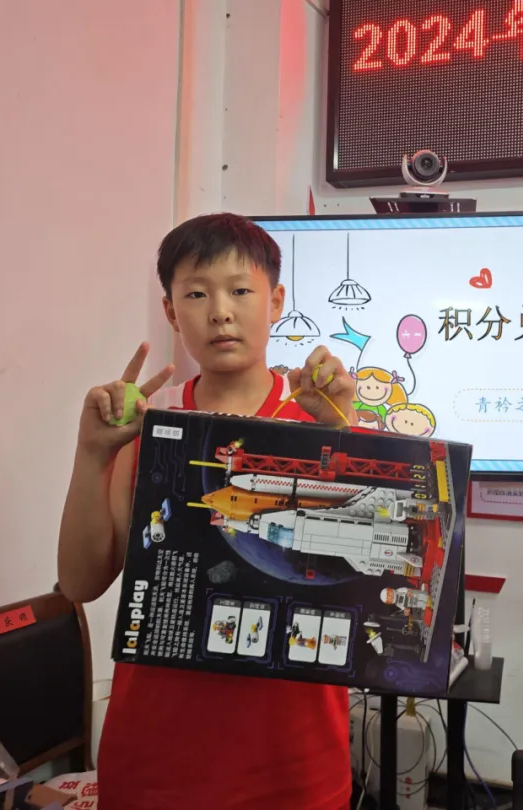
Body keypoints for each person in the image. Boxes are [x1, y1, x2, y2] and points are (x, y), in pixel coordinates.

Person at [57, 213, 357, 810]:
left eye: (240, 290)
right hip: (157, 757)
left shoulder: (325, 420)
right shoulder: (150, 424)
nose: (220, 312)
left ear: (275, 302)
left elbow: (365, 580)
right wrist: (92, 456)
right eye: (196, 294)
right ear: (171, 312)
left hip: (297, 760)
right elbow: (80, 583)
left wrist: (346, 438)